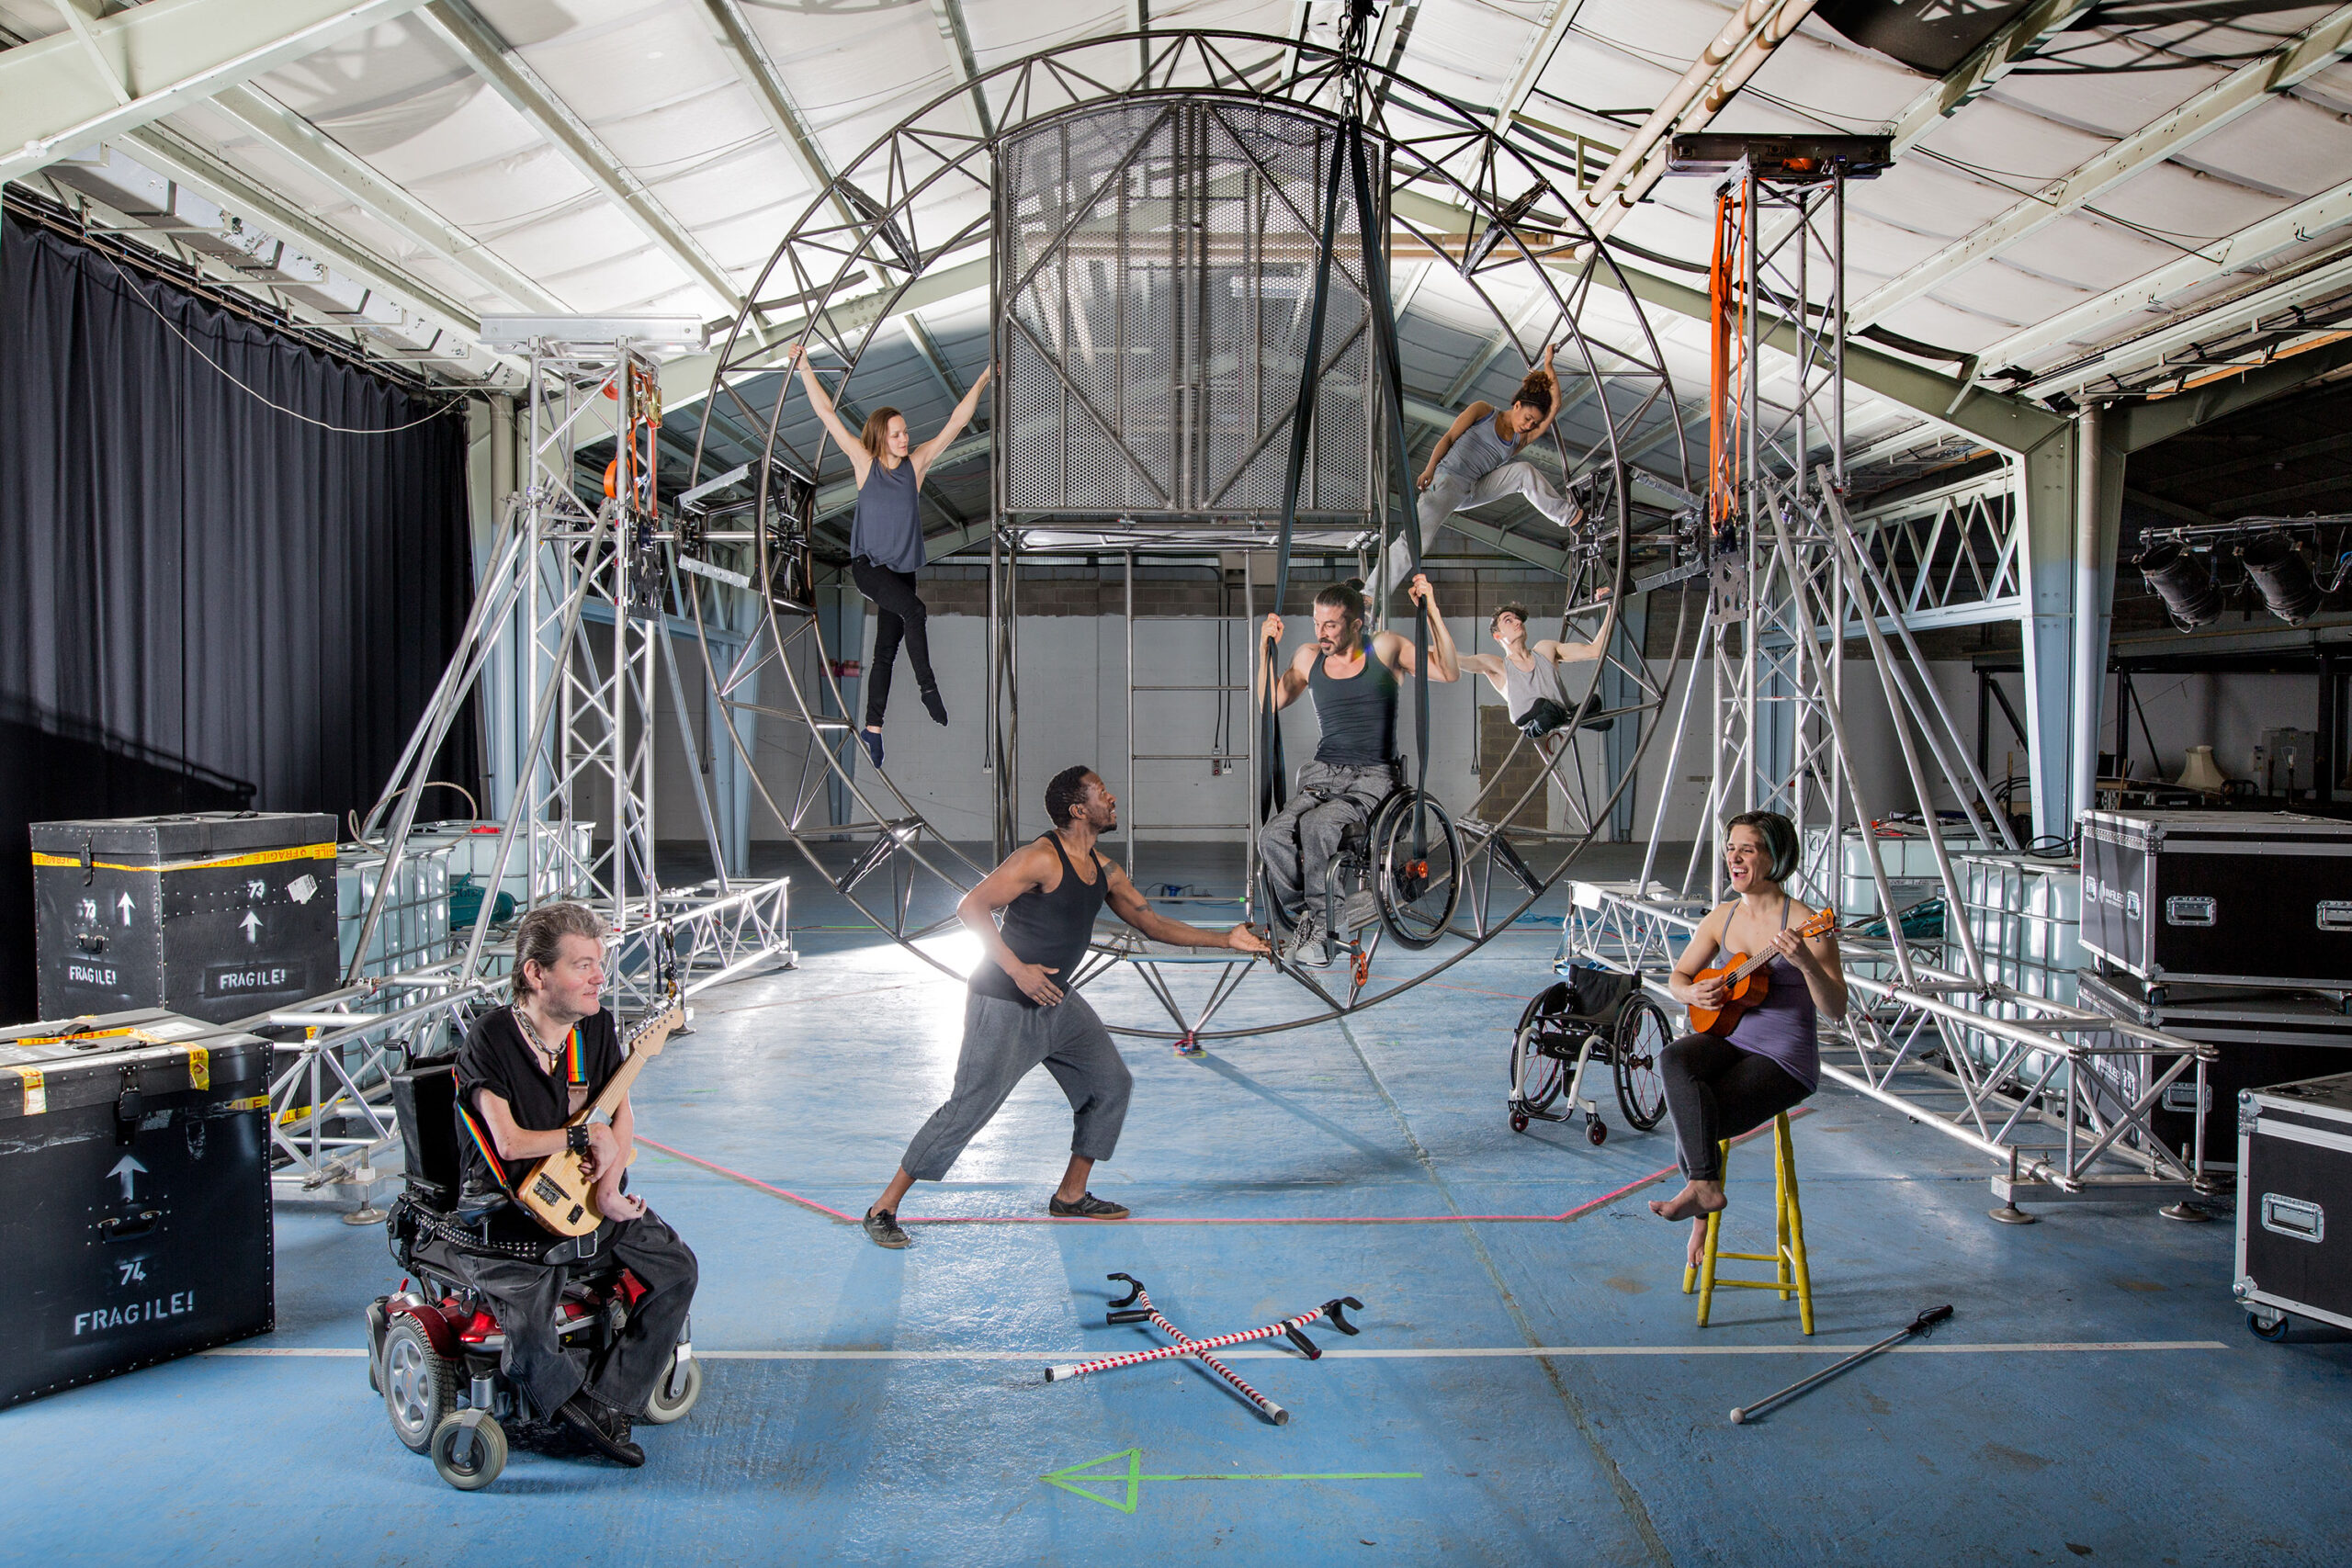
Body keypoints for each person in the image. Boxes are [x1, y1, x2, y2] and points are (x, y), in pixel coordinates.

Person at [861, 765, 1268, 1247]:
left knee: (1110, 1083)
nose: (1112, 797)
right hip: (1005, 999)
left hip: (1058, 1002)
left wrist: (1226, 939)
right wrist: (1018, 970)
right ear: (1079, 810)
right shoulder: (1040, 859)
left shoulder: (1105, 869)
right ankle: (883, 1208)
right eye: (1101, 793)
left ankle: (1071, 1196)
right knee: (969, 1106)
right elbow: (971, 906)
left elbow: (1152, 923)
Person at [450, 901, 699, 1468]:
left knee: (676, 1270)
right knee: (531, 1328)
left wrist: (610, 1188)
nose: (599, 977)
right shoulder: (490, 1039)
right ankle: (566, 1414)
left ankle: (606, 1406)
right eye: (582, 965)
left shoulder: (597, 1029)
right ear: (537, 974)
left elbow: (620, 1116)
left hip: (585, 1199)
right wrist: (580, 1141)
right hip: (503, 1210)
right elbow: (509, 1143)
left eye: (600, 964)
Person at [1649, 812, 1847, 1270]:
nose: (1734, 858)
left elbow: (1836, 1008)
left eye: (1748, 849)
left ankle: (1701, 1198)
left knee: (1702, 1108)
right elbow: (1678, 976)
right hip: (1732, 1039)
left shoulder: (1806, 923)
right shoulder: (1724, 916)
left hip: (1785, 1060)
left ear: (1774, 858)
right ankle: (1704, 1189)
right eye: (1730, 848)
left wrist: (1808, 965)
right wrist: (1691, 991)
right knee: (1676, 1060)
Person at [792, 342, 991, 769]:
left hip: (901, 573)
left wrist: (981, 381)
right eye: (898, 433)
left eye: (906, 432)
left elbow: (956, 424)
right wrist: (805, 367)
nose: (906, 438)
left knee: (886, 650)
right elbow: (827, 414)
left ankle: (873, 728)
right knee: (915, 613)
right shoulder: (866, 464)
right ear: (882, 436)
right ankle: (928, 689)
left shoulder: (916, 467)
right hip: (869, 568)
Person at [1256, 573, 1459, 967]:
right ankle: (1315, 918)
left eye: (1330, 625)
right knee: (1272, 837)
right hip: (1320, 776)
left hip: (1373, 777)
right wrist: (1266, 649)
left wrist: (1431, 608)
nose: (1321, 633)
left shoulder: (1384, 649)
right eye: (1317, 623)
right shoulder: (1308, 657)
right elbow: (1270, 702)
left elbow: (1448, 671)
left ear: (1355, 623)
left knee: (1319, 826)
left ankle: (1324, 926)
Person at [1362, 345, 1586, 610]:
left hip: (1473, 489)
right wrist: (1430, 469)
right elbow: (1449, 438)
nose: (1528, 426)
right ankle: (1369, 594)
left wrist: (1549, 364)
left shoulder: (1520, 438)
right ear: (1516, 405)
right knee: (1416, 541)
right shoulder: (1483, 411)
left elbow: (1555, 404)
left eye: (1533, 424)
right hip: (1447, 480)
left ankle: (1570, 517)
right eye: (1527, 418)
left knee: (1524, 472)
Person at [1455, 600, 1611, 742]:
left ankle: (1573, 714)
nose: (1517, 622)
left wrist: (1611, 605)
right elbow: (1457, 661)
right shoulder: (1498, 666)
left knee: (1601, 713)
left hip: (1560, 713)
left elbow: (1595, 651)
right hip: (1534, 720)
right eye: (1508, 620)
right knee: (1545, 712)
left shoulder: (1545, 649)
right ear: (1498, 636)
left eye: (1518, 619)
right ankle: (1573, 715)